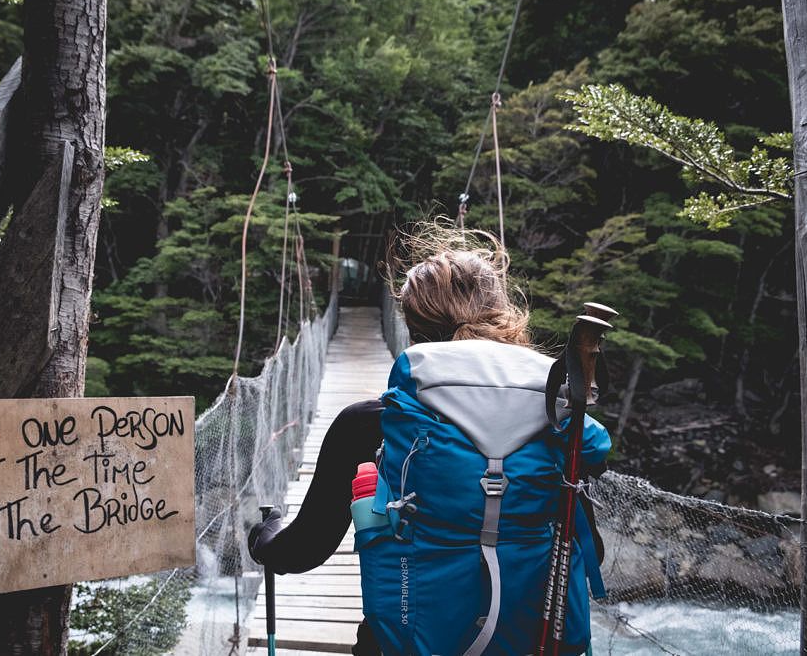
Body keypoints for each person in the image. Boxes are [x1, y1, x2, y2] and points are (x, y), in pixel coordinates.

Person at [249, 223, 610, 655]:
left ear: (410, 327)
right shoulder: (558, 419)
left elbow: (302, 550)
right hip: (533, 643)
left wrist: (265, 538)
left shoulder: (370, 425)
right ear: (503, 312)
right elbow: (590, 541)